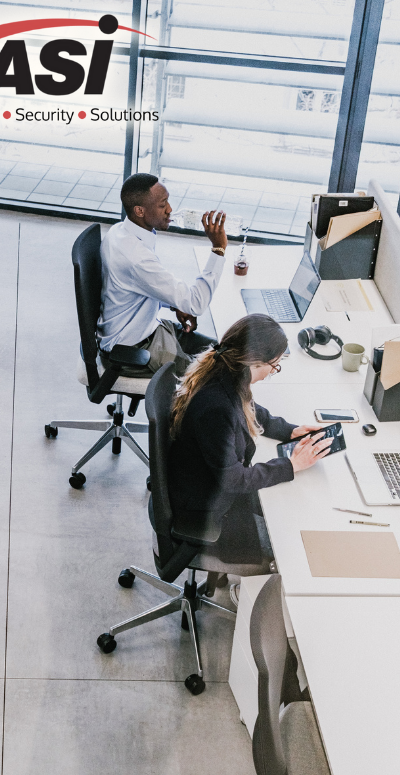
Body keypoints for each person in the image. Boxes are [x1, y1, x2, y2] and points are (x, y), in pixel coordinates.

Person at [167, 314, 333, 566]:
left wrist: (288, 430)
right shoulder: (215, 406)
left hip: (201, 481)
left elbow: (246, 405)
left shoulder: (224, 371)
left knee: (290, 508)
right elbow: (233, 479)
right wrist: (291, 465)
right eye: (274, 366)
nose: (271, 372)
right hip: (206, 509)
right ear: (256, 362)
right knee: (287, 552)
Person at [98, 172, 227, 377]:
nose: (170, 209)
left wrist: (175, 304)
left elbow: (139, 284)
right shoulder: (136, 258)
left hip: (143, 328)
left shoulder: (119, 232)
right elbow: (195, 303)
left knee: (226, 355)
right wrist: (218, 248)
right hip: (136, 346)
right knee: (217, 375)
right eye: (162, 204)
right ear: (140, 211)